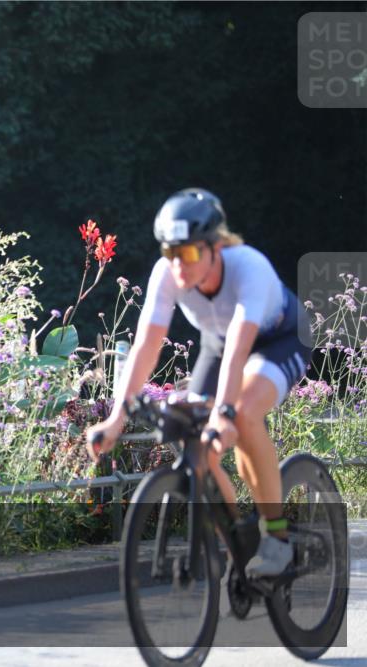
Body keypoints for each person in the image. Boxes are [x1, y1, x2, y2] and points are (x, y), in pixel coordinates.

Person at [85, 188, 312, 578]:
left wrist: (223, 414)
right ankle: (238, 546)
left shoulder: (247, 267)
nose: (179, 266)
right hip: (221, 344)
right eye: (170, 253)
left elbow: (241, 352)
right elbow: (146, 347)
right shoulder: (167, 273)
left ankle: (276, 538)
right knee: (198, 451)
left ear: (215, 247)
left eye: (188, 253)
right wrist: (115, 420)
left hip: (280, 339)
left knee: (241, 416)